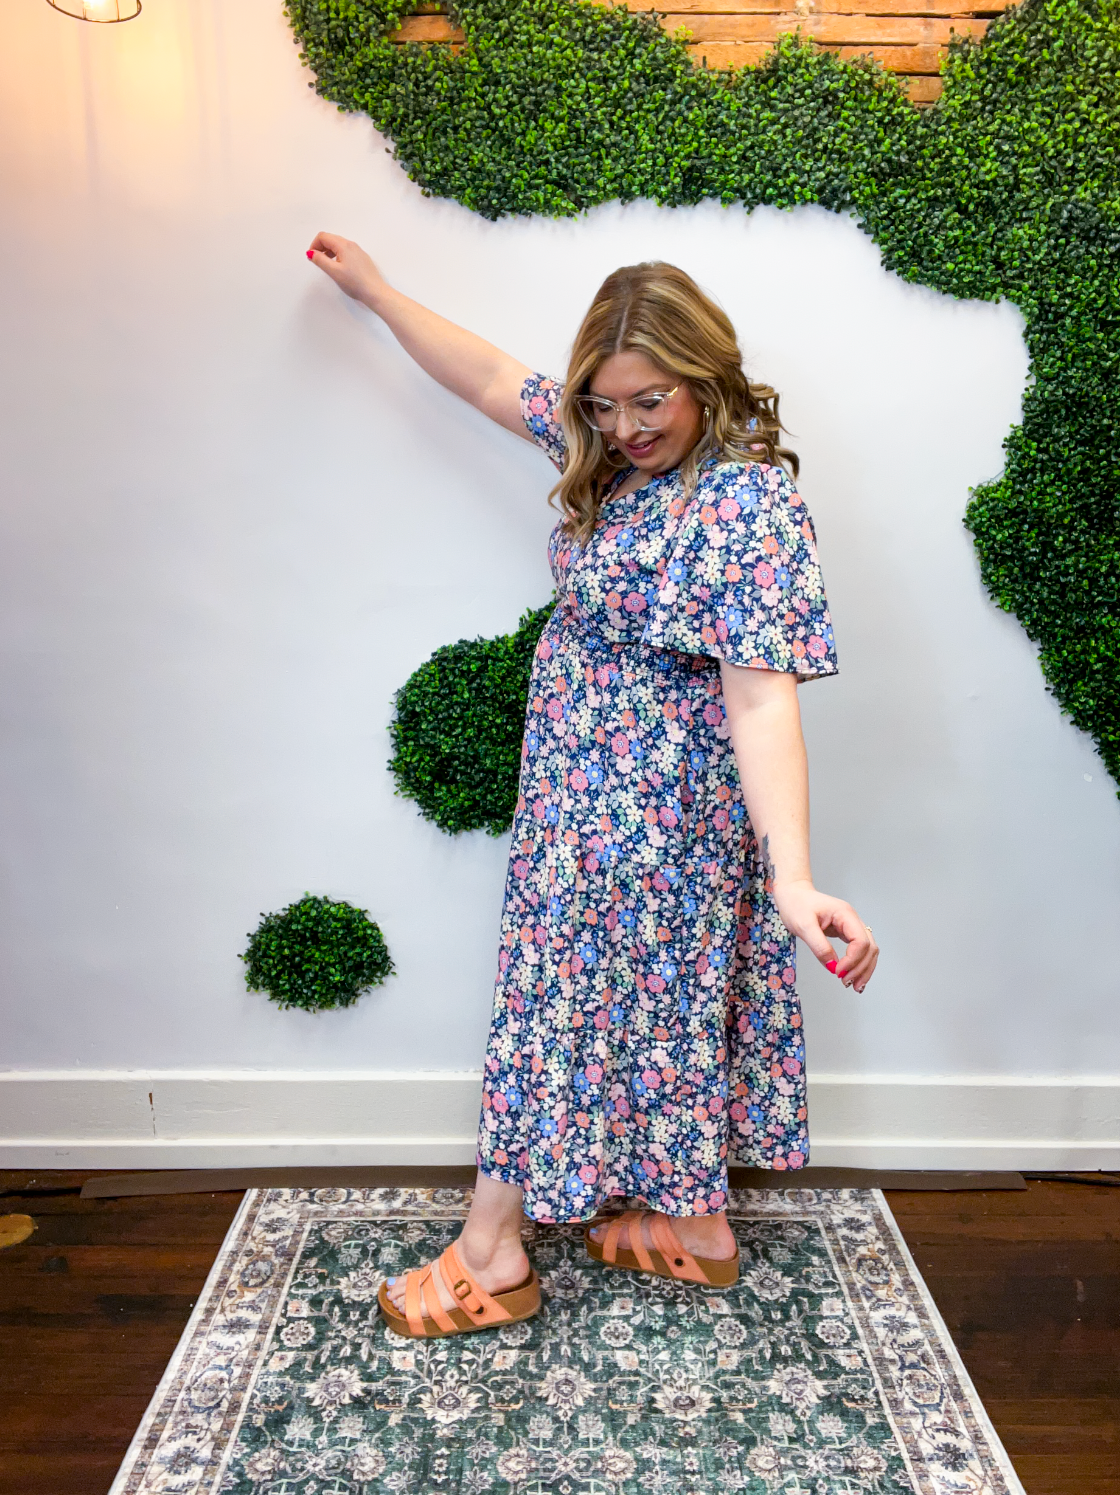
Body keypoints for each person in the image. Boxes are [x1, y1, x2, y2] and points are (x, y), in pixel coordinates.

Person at [307, 234, 879, 1339]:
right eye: (605, 405)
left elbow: (763, 701)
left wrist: (795, 879)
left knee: (550, 1013)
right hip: (581, 796)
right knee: (651, 1009)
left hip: (648, 818)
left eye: (650, 401)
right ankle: (694, 1225)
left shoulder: (744, 503)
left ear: (706, 377)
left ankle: (492, 1253)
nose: (625, 427)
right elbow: (490, 377)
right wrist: (378, 292)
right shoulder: (614, 455)